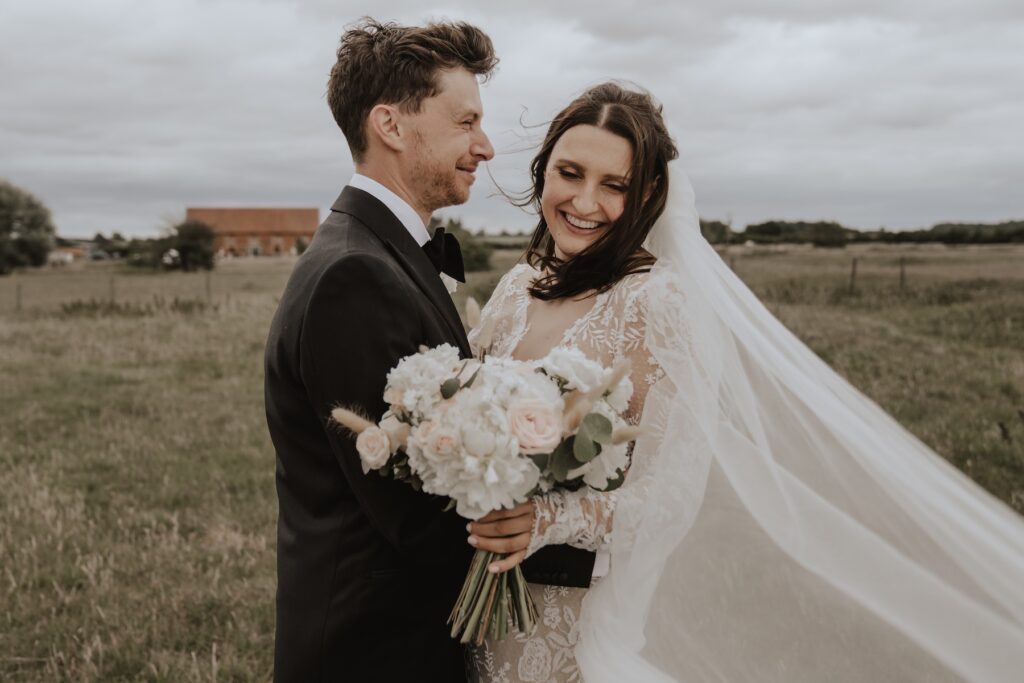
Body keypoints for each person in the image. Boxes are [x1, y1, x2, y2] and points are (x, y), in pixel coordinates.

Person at [466, 82, 1024, 682]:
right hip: (475, 605)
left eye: (615, 185)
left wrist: (548, 520)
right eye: (569, 173)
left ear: (649, 193)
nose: (584, 200)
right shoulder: (516, 286)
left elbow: (671, 494)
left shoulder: (658, 303)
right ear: (543, 169)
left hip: (567, 617)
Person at [264, 19, 498, 682]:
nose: (485, 144)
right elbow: (418, 514)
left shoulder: (370, 252)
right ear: (391, 126)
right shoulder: (353, 277)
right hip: (375, 653)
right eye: (466, 122)